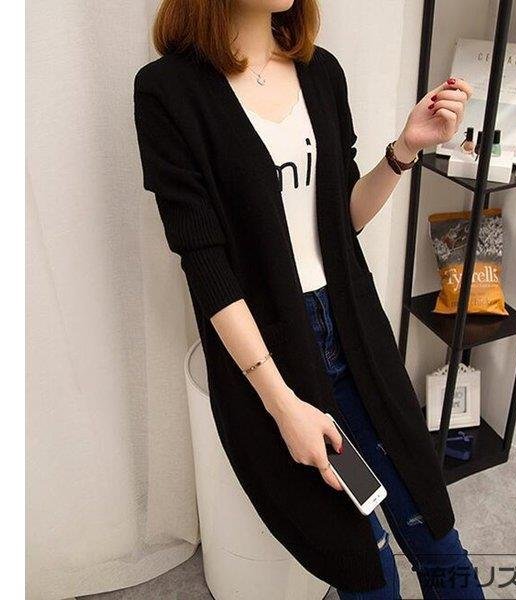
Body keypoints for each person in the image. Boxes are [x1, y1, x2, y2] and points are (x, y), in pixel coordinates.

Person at [134, 1, 485, 597]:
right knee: (364, 561)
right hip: (277, 357)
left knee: (433, 530)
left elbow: (341, 222)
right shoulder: (167, 91)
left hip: (355, 337)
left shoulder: (322, 72)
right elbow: (206, 266)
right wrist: (283, 406)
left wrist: (404, 148)